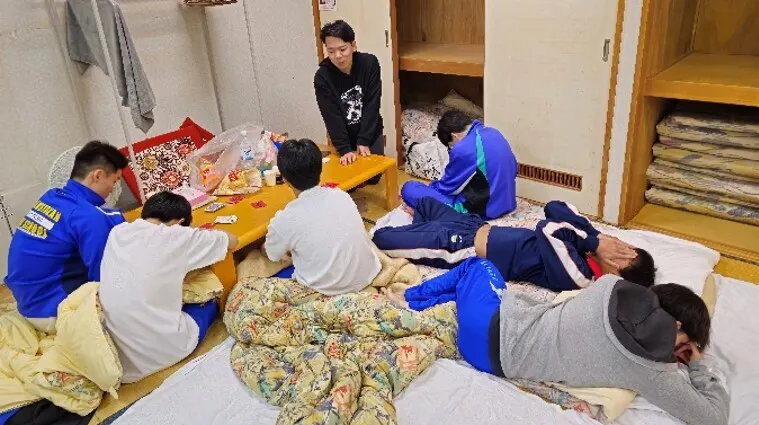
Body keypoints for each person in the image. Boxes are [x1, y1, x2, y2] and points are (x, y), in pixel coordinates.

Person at [384, 262, 728, 425]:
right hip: (493, 356)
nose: (677, 355)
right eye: (684, 345)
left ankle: (409, 299)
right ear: (676, 326)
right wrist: (697, 365)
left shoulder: (609, 286)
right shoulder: (651, 371)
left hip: (489, 327)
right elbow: (713, 418)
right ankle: (413, 302)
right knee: (477, 283)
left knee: (478, 266)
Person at [99, 191, 238, 383]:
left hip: (120, 357)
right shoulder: (177, 236)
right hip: (160, 352)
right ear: (180, 222)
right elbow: (232, 240)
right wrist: (190, 233)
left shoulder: (118, 232)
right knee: (215, 296)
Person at [374, 197, 656, 291]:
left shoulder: (580, 277)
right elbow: (554, 207)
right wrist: (596, 235)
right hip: (471, 225)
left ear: (618, 267)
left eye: (623, 252)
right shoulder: (589, 246)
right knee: (422, 201)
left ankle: (419, 236)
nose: (618, 247)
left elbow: (548, 229)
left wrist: (593, 241)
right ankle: (418, 231)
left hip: (458, 245)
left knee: (380, 238)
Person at [4, 141, 127, 332]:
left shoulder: (51, 197)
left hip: (27, 302)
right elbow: (103, 276)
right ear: (98, 175)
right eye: (115, 180)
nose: (114, 188)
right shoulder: (90, 217)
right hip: (53, 312)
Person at [262, 138, 381, 295]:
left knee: (270, 274)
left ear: (283, 178)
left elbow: (272, 255)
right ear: (320, 169)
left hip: (328, 290)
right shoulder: (341, 195)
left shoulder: (284, 220)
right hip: (368, 274)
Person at [400, 110, 518, 219]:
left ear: (454, 136)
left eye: (451, 146)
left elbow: (447, 187)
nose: (452, 149)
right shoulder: (494, 132)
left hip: (484, 210)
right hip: (508, 202)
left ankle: (424, 213)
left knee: (409, 188)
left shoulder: (463, 148)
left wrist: (429, 187)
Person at [314, 20, 384, 182]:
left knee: (373, 178)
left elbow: (372, 104)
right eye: (331, 51)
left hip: (370, 130)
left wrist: (364, 140)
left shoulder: (369, 63)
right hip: (344, 134)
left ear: (353, 45)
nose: (338, 56)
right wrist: (344, 149)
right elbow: (331, 116)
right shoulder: (322, 77)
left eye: (342, 49)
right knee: (349, 180)